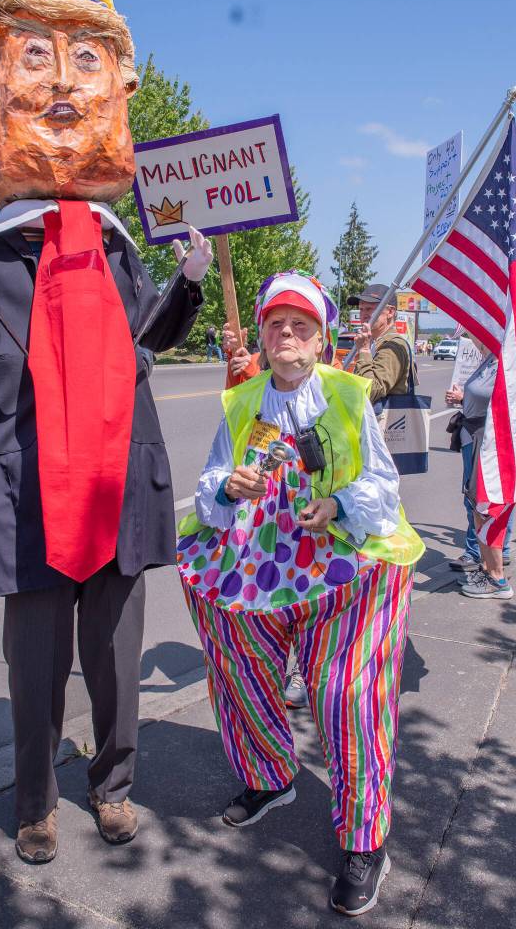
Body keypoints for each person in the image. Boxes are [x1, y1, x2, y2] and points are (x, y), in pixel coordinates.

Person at [0, 0, 212, 866]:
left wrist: (190, 281)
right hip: (30, 480)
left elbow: (147, 339)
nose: (66, 86)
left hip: (118, 476)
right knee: (33, 665)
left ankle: (113, 785)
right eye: (39, 60)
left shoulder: (121, 245)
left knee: (117, 660)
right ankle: (34, 801)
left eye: (85, 62)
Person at [177, 270, 424, 917]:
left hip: (343, 564)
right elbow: (209, 481)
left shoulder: (346, 394)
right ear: (261, 337)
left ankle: (366, 840)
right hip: (259, 565)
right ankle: (270, 777)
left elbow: (383, 484)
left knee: (346, 695)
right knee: (237, 664)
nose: (286, 335)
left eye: (301, 326)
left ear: (320, 342)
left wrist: (337, 503)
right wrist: (230, 487)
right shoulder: (243, 400)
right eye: (275, 325)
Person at [445, 344, 514, 580]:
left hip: (486, 438)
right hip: (472, 435)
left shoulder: (506, 364)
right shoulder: (489, 359)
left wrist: (464, 397)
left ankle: (486, 558)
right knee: (476, 500)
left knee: (486, 501)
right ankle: (487, 555)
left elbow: (498, 400)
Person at [349, 284, 417, 420]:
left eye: (369, 309)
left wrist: (364, 350)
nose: (363, 314)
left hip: (387, 430)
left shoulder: (393, 345)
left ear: (390, 312)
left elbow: (371, 390)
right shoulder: (377, 342)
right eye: (361, 309)